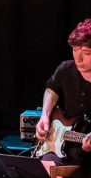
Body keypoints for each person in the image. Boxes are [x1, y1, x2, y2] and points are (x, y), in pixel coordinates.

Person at [36, 19, 91, 166]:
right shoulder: (65, 69)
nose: (78, 58)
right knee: (37, 174)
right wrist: (45, 116)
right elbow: (51, 89)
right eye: (75, 50)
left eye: (86, 53)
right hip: (62, 149)